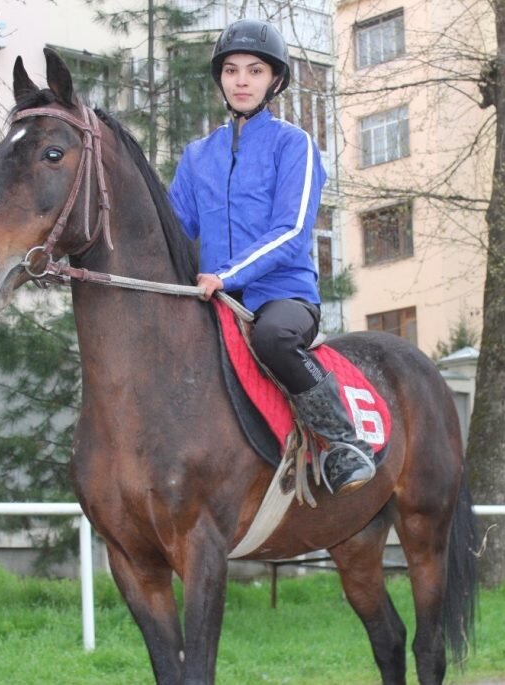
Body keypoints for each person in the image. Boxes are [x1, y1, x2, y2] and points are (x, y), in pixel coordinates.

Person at [168, 18, 375, 495]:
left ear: (274, 81)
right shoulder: (198, 156)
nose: (242, 80)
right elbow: (176, 232)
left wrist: (226, 274)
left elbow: (294, 230)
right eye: (232, 70)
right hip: (214, 297)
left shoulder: (294, 144)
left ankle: (341, 442)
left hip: (282, 296)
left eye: (255, 70)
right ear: (220, 79)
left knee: (275, 337)